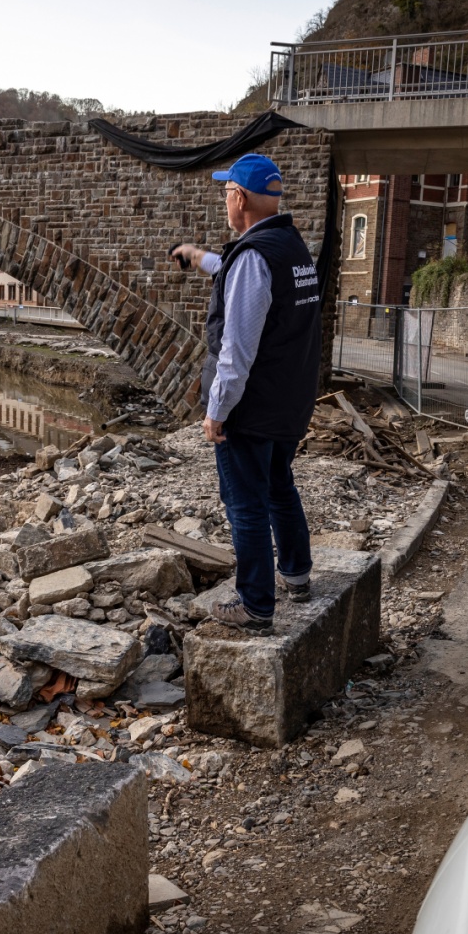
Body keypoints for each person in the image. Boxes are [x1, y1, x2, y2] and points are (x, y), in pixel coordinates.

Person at [171, 153, 323, 633]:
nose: (224, 201)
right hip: (288, 400)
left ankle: (255, 605)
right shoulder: (289, 247)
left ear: (239, 198)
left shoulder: (253, 257)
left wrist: (217, 411)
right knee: (279, 484)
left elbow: (236, 347)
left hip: (251, 407)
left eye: (226, 192)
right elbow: (243, 278)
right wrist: (199, 257)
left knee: (245, 503)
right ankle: (296, 573)